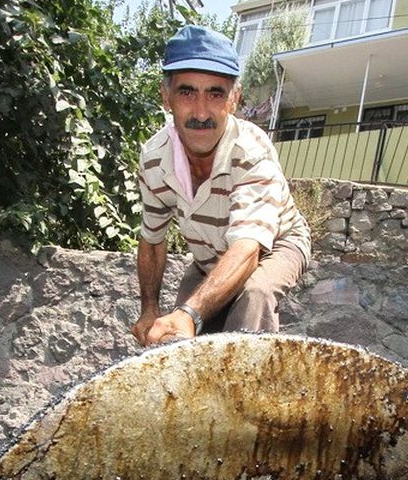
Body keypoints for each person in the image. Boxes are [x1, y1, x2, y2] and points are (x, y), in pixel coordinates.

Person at [131, 26, 311, 347]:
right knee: (178, 342)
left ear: (234, 99)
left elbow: (247, 248)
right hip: (210, 256)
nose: (201, 112)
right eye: (187, 92)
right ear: (166, 98)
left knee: (254, 295)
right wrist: (149, 310)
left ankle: (248, 391)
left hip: (276, 243)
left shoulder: (251, 151)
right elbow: (153, 240)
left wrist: (190, 313)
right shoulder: (154, 158)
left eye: (215, 93)